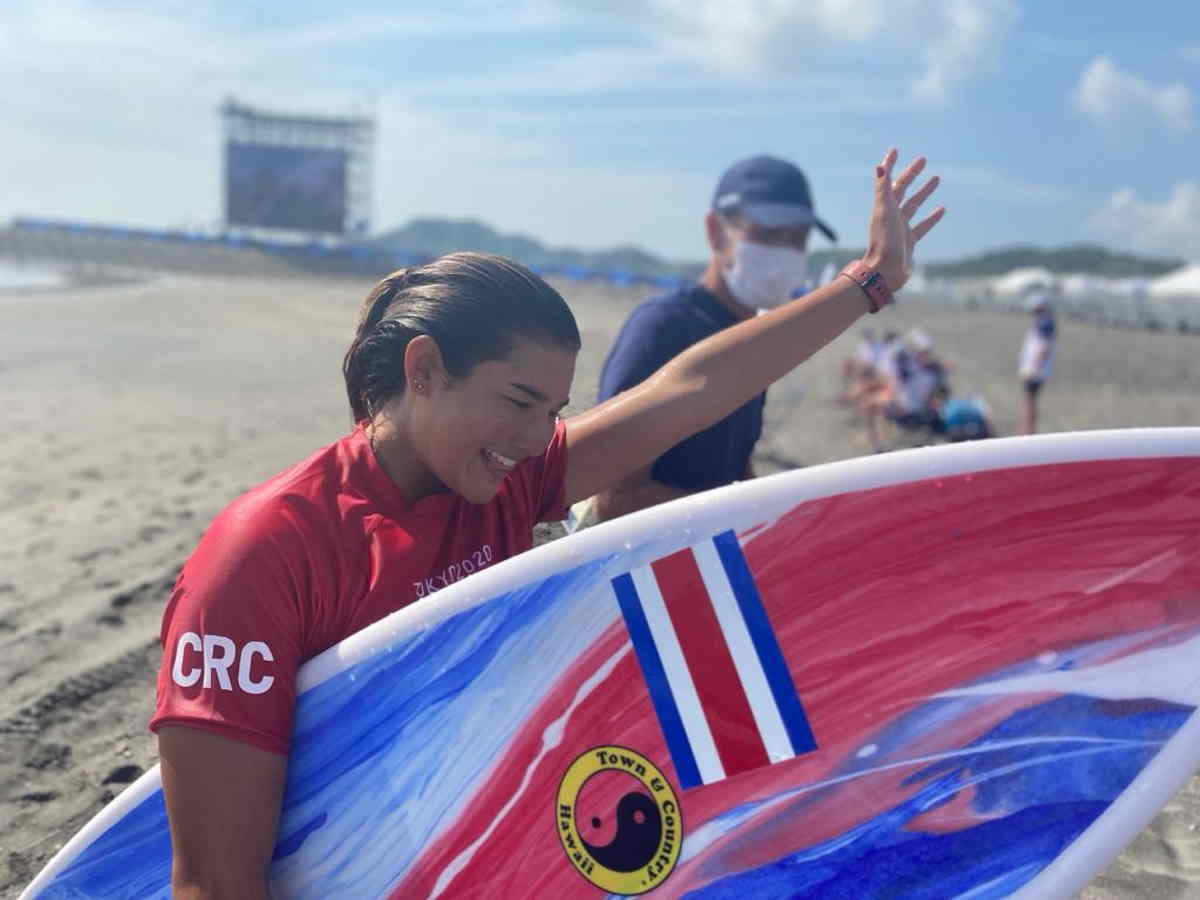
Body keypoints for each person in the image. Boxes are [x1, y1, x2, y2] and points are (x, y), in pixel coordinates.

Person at [150, 148, 942, 899]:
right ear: (424, 370)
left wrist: (869, 283)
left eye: (553, 411)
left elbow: (691, 388)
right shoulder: (265, 555)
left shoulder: (507, 484)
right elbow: (214, 881)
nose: (538, 439)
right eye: (520, 402)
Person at [584, 155, 839, 526]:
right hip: (656, 554)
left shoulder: (754, 336)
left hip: (712, 545)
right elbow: (613, 499)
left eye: (797, 239)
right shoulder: (665, 328)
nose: (784, 253)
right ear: (716, 232)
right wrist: (744, 515)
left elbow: (732, 465)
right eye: (766, 234)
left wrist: (775, 517)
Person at [1018, 284, 1057, 434]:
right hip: (1036, 369)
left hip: (1034, 371)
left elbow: (1044, 347)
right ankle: (1028, 430)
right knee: (1030, 401)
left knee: (1029, 402)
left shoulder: (1045, 323)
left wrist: (1035, 367)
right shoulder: (1045, 322)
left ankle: (1028, 431)